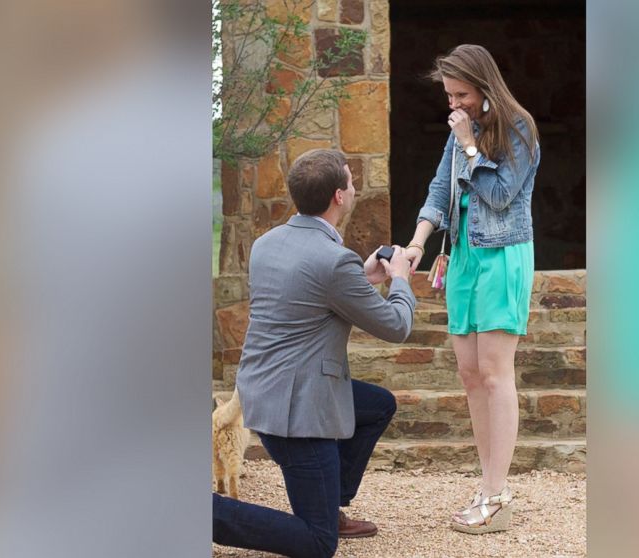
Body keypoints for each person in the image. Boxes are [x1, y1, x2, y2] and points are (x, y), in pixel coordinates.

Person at [212, 149, 416, 557]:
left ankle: (328, 499)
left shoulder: (267, 243)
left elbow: (307, 292)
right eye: (351, 181)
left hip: (263, 392)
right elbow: (396, 326)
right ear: (339, 196)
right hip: (298, 414)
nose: (355, 187)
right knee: (318, 543)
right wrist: (400, 279)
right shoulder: (333, 260)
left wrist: (360, 274)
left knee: (376, 405)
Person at [404, 44, 541, 534]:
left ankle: (498, 494)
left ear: (484, 86)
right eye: (448, 96)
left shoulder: (518, 128)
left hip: (503, 254)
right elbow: (440, 191)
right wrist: (419, 241)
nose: (453, 104)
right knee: (467, 372)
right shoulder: (460, 130)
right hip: (460, 256)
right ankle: (488, 486)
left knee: (493, 370)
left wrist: (468, 145)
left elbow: (501, 195)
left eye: (461, 94)